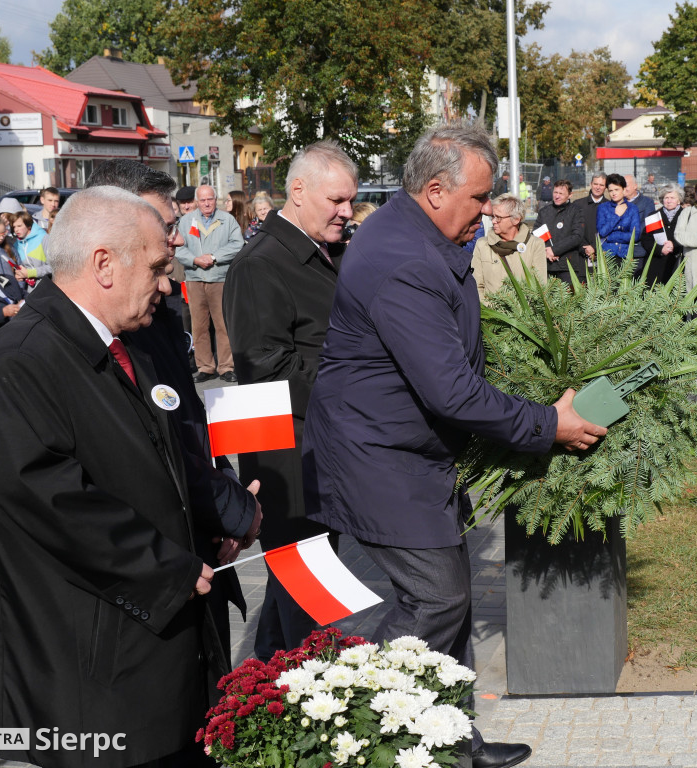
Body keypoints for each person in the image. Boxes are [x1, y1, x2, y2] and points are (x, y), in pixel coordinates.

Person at [302, 123, 606, 768]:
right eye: (479, 199)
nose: (489, 212)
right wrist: (547, 423)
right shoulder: (404, 260)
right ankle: (344, 726)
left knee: (449, 597)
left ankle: (451, 740)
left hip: (407, 451)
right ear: (435, 191)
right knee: (435, 599)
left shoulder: (420, 234)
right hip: (380, 457)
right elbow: (453, 392)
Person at [0, 186, 225, 768]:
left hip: (152, 651)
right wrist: (169, 571)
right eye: (156, 267)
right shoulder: (22, 363)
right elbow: (50, 504)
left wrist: (213, 518)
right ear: (104, 263)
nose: (165, 283)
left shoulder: (123, 342)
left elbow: (167, 450)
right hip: (93, 674)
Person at [85, 157, 262, 666]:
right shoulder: (48, 352)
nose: (176, 240)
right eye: (167, 226)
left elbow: (187, 423)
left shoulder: (154, 315)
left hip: (196, 558)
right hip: (144, 602)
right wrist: (228, 511)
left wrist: (226, 509)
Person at [225, 140, 358, 661]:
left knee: (299, 592)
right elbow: (263, 367)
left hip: (318, 447)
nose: (347, 212)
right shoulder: (261, 263)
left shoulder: (325, 250)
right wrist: (356, 383)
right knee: (307, 593)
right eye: (337, 201)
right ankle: (302, 705)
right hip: (287, 456)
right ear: (298, 191)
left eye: (350, 201)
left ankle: (264, 698)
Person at [176, 184, 244, 383]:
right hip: (195, 279)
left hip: (219, 279)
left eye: (210, 199)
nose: (206, 203)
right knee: (199, 326)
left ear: (216, 200)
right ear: (197, 202)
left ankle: (226, 367)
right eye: (203, 200)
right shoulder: (187, 221)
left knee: (223, 325)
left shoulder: (227, 220)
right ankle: (205, 367)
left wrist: (213, 257)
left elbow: (237, 245)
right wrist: (195, 260)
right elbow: (179, 249)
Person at [472, 193, 547, 300]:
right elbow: (476, 286)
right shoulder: (482, 244)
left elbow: (540, 286)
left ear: (516, 219)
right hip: (490, 313)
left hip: (524, 314)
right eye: (493, 216)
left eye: (498, 217)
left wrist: (523, 313)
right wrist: (491, 310)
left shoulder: (535, 245)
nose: (493, 221)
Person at [536, 178, 585, 284]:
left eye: (561, 193)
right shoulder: (544, 212)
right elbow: (535, 235)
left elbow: (577, 236)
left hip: (567, 266)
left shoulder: (576, 211)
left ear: (570, 195)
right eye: (555, 192)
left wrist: (555, 250)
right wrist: (546, 251)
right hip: (547, 265)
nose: (557, 196)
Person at [641, 184, 685, 286]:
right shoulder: (654, 216)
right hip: (657, 264)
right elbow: (646, 239)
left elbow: (688, 236)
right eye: (666, 198)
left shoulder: (685, 215)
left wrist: (674, 245)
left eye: (672, 198)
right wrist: (660, 249)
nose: (669, 201)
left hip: (677, 262)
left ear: (679, 200)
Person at [596, 173, 641, 262]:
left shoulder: (632, 208)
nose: (613, 193)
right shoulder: (603, 208)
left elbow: (635, 235)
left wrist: (610, 237)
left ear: (623, 190)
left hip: (625, 255)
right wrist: (616, 216)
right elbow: (602, 232)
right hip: (607, 255)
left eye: (616, 189)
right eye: (610, 190)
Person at [11, 211, 51, 290]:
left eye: (19, 226)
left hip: (48, 287)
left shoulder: (44, 238)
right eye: (14, 227)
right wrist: (19, 276)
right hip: (30, 291)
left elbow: (53, 267)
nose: (16, 230)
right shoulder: (16, 245)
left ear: (29, 226)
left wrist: (30, 273)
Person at [575, 172, 607, 267]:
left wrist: (595, 248)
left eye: (601, 185)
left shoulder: (610, 206)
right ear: (591, 184)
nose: (598, 187)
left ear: (605, 187)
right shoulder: (578, 205)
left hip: (603, 256)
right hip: (581, 255)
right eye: (595, 184)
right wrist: (585, 249)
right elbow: (575, 229)